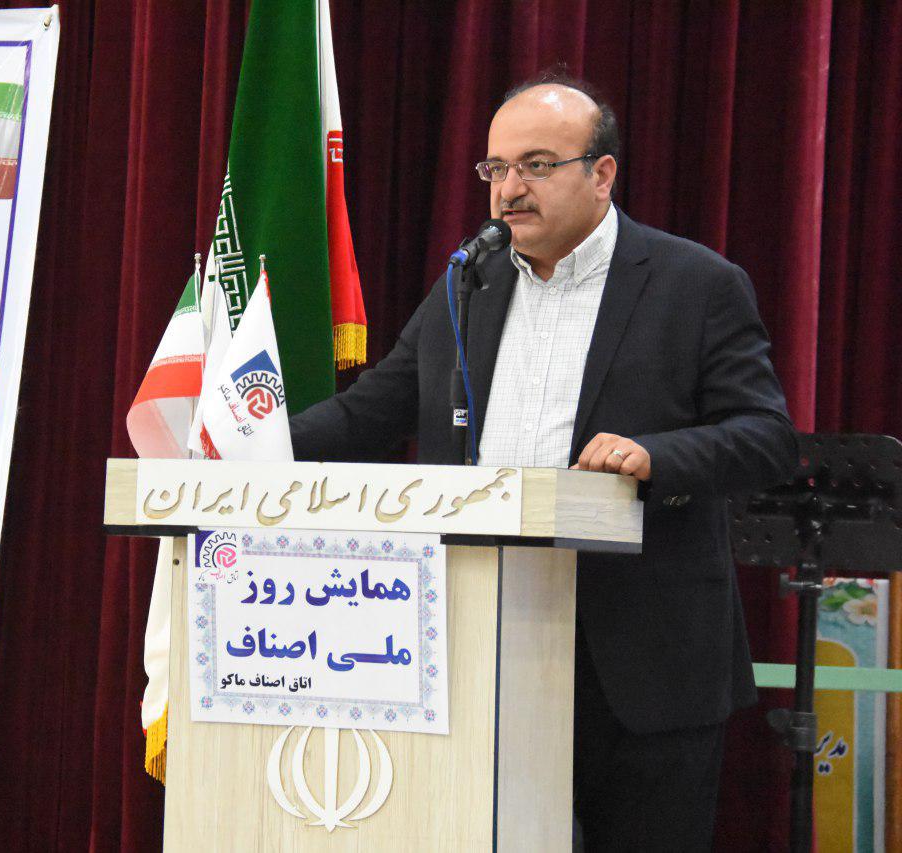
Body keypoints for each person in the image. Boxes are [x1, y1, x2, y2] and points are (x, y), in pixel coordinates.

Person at [289, 72, 798, 850]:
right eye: (495, 168)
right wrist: (247, 445)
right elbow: (370, 413)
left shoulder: (695, 284)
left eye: (536, 165)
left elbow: (766, 436)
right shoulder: (469, 284)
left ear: (602, 173)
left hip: (643, 662)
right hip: (482, 651)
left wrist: (656, 455)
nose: (508, 190)